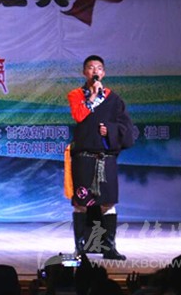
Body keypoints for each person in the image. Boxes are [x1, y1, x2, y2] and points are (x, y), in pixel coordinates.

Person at [67, 55, 134, 261]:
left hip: (106, 159)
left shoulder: (114, 99)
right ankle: (80, 248)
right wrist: (93, 96)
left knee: (108, 203)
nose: (95, 71)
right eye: (90, 67)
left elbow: (126, 128)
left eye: (98, 68)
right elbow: (79, 116)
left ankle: (109, 247)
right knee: (81, 202)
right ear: (84, 72)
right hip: (84, 159)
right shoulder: (76, 95)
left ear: (103, 73)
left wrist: (110, 131)